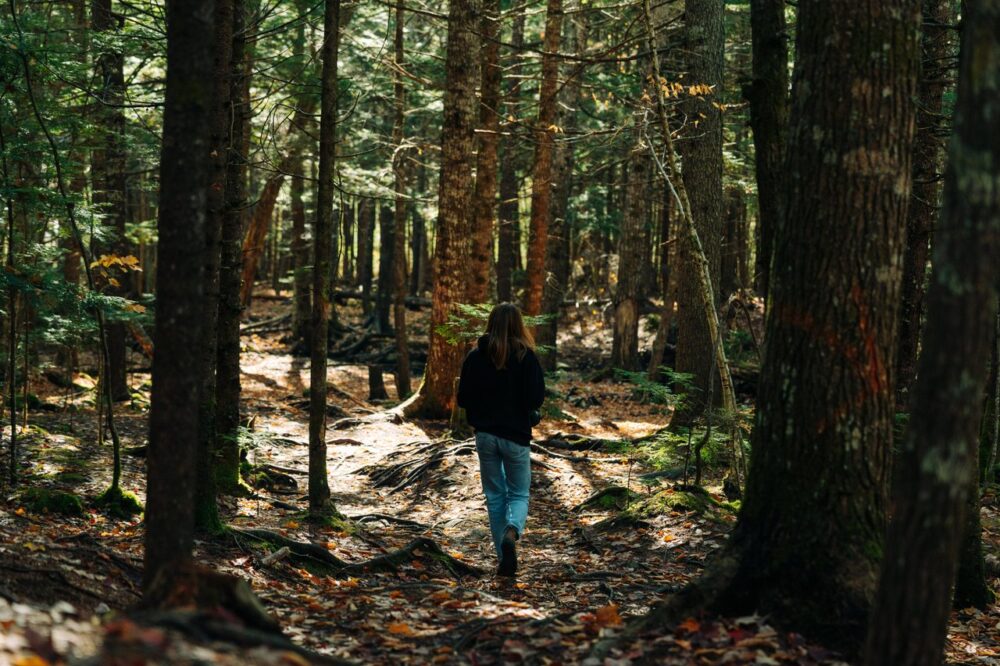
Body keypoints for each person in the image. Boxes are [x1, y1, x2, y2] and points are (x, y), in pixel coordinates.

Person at [457, 303, 545, 577]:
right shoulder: (526, 357)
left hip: (485, 436)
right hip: (516, 436)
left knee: (495, 497)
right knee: (519, 494)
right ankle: (512, 532)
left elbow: (462, 399)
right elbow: (536, 399)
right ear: (519, 325)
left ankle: (503, 557)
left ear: (491, 323)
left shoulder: (475, 356)